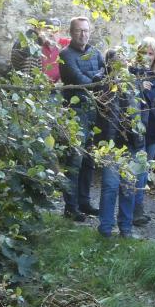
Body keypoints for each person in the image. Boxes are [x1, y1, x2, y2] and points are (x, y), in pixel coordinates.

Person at [59, 16, 106, 221]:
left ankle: (84, 202)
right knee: (74, 161)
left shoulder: (95, 53)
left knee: (89, 161)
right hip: (74, 114)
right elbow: (80, 80)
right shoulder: (65, 55)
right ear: (71, 32)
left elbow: (106, 74)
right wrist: (96, 80)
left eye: (86, 30)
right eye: (79, 31)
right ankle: (70, 206)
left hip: (93, 112)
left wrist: (98, 79)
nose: (83, 34)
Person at [95, 48, 145, 238]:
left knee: (129, 187)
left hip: (133, 142)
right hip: (111, 143)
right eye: (118, 61)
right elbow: (98, 89)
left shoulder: (133, 83)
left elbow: (141, 110)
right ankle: (105, 228)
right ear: (109, 64)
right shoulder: (102, 82)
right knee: (110, 186)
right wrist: (111, 80)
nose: (123, 64)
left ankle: (126, 229)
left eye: (124, 61)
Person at [130, 37, 155, 226]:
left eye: (151, 53)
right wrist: (137, 85)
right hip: (138, 130)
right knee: (136, 171)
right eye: (144, 52)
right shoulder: (131, 74)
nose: (147, 56)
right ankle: (134, 210)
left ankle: (138, 208)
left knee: (145, 171)